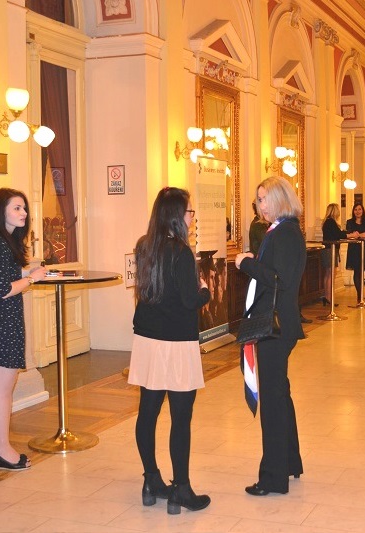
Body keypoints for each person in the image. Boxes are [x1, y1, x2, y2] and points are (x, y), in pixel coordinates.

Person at [128, 187, 211, 514]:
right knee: (180, 417)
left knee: (147, 412)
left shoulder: (144, 246)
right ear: (177, 215)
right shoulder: (181, 252)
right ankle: (181, 489)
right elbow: (190, 301)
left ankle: (151, 480)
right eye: (190, 212)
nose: (192, 218)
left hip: (147, 340)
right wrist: (204, 290)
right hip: (177, 343)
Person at [235, 176, 306, 496]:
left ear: (278, 199)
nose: (259, 204)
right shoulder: (280, 229)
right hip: (275, 324)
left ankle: (273, 478)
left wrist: (247, 264)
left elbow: (281, 280)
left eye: (263, 198)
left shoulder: (286, 232)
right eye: (258, 199)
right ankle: (289, 462)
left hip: (275, 327)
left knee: (274, 402)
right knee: (280, 395)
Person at [0, 188, 47, 471]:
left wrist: (27, 274)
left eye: (24, 208)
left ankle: (2, 448)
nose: (24, 213)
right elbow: (0, 290)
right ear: (1, 210)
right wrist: (31, 279)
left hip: (7, 322)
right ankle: (1, 450)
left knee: (4, 389)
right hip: (0, 324)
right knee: (2, 391)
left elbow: (4, 275)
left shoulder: (4, 241)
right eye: (17, 208)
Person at [321, 203, 349, 307]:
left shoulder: (327, 222)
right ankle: (329, 297)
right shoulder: (331, 222)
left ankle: (327, 297)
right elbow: (338, 234)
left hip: (328, 249)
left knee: (328, 274)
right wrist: (349, 234)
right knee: (331, 273)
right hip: (330, 250)